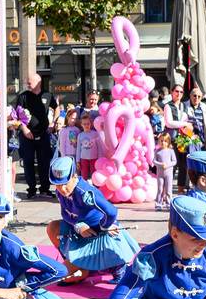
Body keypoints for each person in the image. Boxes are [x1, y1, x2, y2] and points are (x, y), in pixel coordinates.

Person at [46, 156, 139, 285]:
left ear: (74, 176)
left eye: (65, 183)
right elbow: (65, 213)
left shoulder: (85, 192)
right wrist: (78, 225)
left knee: (61, 275)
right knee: (52, 227)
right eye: (58, 184)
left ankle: (115, 266)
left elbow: (112, 211)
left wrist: (104, 226)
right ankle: (80, 266)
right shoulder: (61, 192)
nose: (62, 189)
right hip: (80, 233)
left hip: (98, 234)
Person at [16, 73, 58, 200]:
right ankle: (32, 189)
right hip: (27, 135)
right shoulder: (23, 96)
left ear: (38, 82)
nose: (27, 84)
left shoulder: (47, 95)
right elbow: (17, 114)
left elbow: (56, 108)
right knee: (28, 162)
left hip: (43, 134)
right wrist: (24, 129)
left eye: (30, 82)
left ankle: (45, 189)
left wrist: (53, 122)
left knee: (44, 162)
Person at [75, 113, 105, 181]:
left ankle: (95, 187)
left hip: (94, 158)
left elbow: (99, 147)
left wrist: (100, 158)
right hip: (83, 159)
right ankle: (84, 187)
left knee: (94, 174)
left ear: (90, 124)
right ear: (81, 125)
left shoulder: (95, 134)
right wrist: (77, 160)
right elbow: (78, 149)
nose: (86, 125)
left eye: (88, 123)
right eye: (84, 124)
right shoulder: (80, 135)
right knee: (84, 175)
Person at [154, 132, 177, 211]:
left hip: (168, 174)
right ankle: (158, 203)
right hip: (160, 174)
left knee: (168, 189)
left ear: (168, 142)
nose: (163, 142)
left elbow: (174, 161)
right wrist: (161, 164)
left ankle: (168, 203)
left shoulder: (171, 151)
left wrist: (167, 165)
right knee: (160, 189)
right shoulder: (157, 151)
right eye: (161, 141)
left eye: (165, 141)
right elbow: (154, 161)